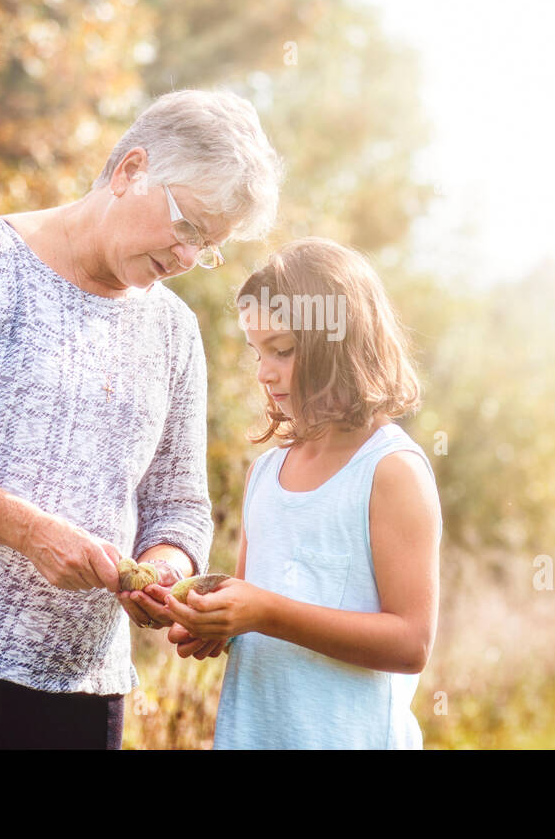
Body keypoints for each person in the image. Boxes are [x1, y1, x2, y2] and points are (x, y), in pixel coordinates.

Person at [0, 89, 283, 748]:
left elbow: (180, 505)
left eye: (207, 247)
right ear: (131, 172)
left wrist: (166, 569)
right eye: (187, 227)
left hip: (78, 689)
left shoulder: (174, 333)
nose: (187, 258)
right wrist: (31, 532)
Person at [148, 237, 443, 748]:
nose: (263, 371)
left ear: (339, 343)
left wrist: (265, 611)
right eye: (257, 352)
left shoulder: (391, 471)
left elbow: (410, 643)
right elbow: (255, 604)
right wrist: (215, 623)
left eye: (282, 351)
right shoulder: (266, 472)